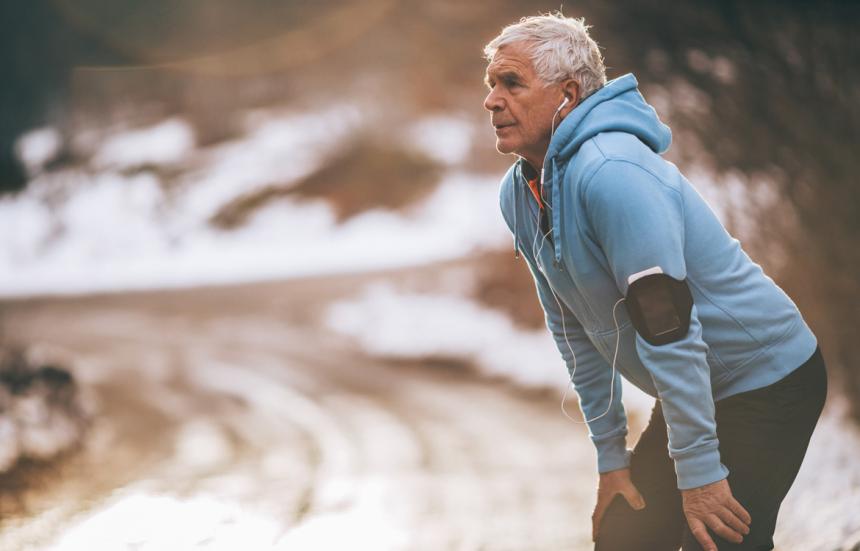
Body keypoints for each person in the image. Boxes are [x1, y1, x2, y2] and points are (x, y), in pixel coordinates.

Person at [482, 13, 828, 551]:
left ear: (567, 94)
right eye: (491, 85)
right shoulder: (522, 192)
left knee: (717, 539)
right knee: (626, 536)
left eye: (512, 84)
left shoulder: (613, 173)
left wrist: (699, 473)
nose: (492, 101)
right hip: (697, 382)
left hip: (765, 379)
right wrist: (612, 460)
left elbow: (668, 327)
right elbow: (573, 329)